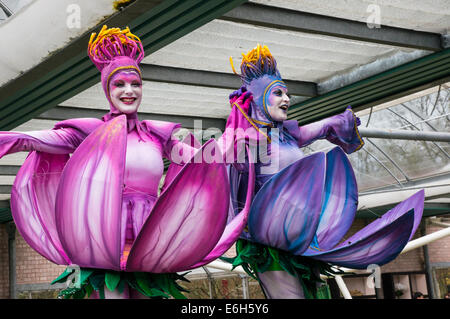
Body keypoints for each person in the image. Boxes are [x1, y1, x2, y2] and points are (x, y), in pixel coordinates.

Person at [0, 25, 253, 299]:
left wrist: (236, 122)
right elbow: (29, 139)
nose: (129, 91)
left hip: (150, 243)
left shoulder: (159, 137)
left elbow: (207, 160)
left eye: (136, 84)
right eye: (119, 84)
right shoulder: (90, 133)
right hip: (103, 241)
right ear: (107, 89)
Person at [222, 44, 425, 299]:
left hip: (305, 240)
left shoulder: (288, 136)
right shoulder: (246, 141)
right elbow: (217, 168)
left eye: (287, 93)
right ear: (259, 97)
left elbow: (322, 128)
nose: (287, 99)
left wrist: (339, 122)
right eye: (278, 93)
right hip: (268, 244)